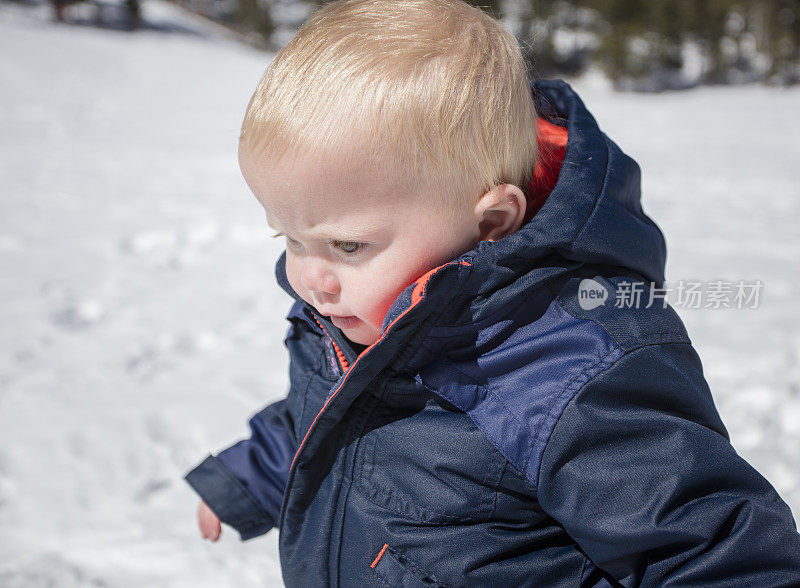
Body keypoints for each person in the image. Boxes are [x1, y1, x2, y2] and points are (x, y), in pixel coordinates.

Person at [183, 0, 800, 585]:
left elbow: (713, 552)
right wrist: (249, 477)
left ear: (490, 222)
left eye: (347, 246)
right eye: (288, 238)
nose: (308, 278)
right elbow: (330, 413)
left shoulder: (571, 372)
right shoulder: (358, 316)